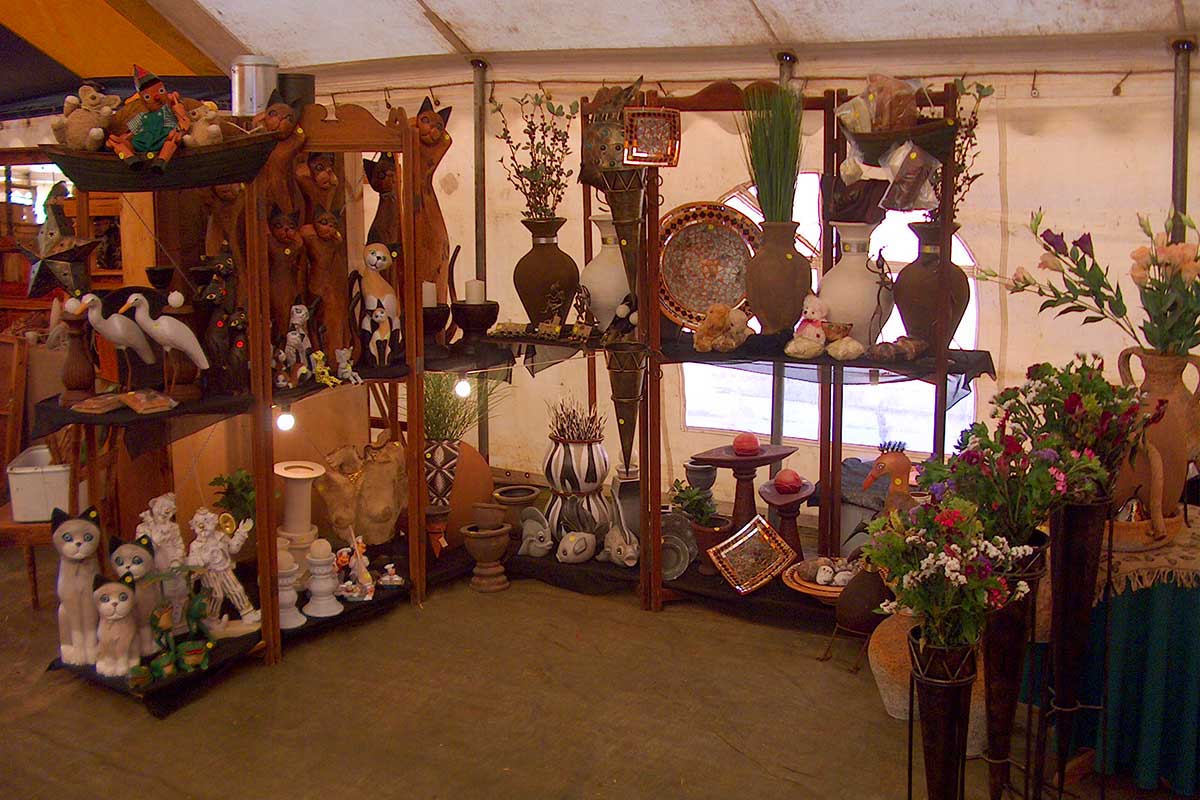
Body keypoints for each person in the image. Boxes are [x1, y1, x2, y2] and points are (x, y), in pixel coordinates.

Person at [107, 65, 191, 172]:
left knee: (172, 140)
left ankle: (161, 162)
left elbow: (183, 122)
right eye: (147, 97)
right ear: (143, 101)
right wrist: (122, 139)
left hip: (162, 140)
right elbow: (130, 133)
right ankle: (130, 158)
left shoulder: (168, 111)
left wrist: (176, 104)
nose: (157, 97)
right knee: (113, 140)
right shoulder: (142, 116)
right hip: (140, 144)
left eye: (161, 91)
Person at [186, 507, 260, 628]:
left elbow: (233, 548)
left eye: (206, 522)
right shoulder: (196, 545)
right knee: (217, 595)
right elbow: (192, 562)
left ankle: (248, 614)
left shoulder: (221, 536)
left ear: (213, 522)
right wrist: (203, 559)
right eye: (198, 524)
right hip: (209, 573)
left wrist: (241, 533)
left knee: (236, 590)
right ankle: (211, 619)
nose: (202, 526)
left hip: (225, 569)